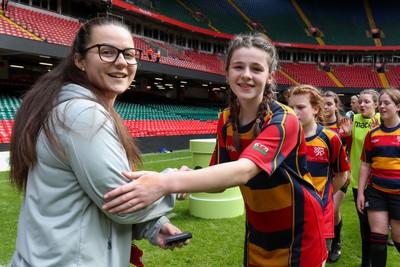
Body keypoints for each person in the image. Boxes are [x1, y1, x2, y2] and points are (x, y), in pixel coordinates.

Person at [103, 33, 328, 266]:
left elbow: (244, 171)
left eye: (257, 69)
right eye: (238, 67)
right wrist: (188, 176)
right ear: (228, 73)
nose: (247, 75)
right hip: (258, 231)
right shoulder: (227, 119)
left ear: (270, 77)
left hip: (300, 231)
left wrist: (165, 183)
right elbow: (219, 182)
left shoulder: (285, 119)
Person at [9, 17, 186, 267]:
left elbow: (90, 199)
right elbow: (121, 201)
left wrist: (153, 225)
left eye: (129, 53)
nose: (122, 61)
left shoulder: (70, 106)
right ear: (80, 60)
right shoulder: (83, 115)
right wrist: (171, 183)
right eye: (107, 52)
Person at [286, 85, 349, 258]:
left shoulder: (330, 138)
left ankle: (336, 243)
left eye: (300, 107)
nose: (294, 112)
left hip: (321, 212)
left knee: (317, 258)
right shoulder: (283, 137)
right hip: (291, 213)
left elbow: (342, 175)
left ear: (315, 109)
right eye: (290, 108)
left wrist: (324, 195)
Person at [357, 88, 400, 266]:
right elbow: (366, 164)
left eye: (386, 103)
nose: (381, 107)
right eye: (380, 103)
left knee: (398, 239)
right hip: (376, 192)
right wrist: (360, 193)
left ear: (398, 107)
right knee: (377, 241)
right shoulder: (373, 134)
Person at [341, 88, 381, 267]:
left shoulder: (382, 120)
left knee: (377, 227)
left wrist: (377, 131)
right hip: (359, 179)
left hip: (379, 180)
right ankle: (366, 262)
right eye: (360, 102)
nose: (362, 105)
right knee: (364, 225)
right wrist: (348, 136)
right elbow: (350, 148)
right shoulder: (353, 120)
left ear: (376, 104)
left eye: (366, 102)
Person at [322, 90, 350, 262]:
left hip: (340, 175)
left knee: (332, 210)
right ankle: (321, 243)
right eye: (323, 104)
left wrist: (350, 135)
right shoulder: (315, 123)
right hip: (319, 175)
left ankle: (336, 241)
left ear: (336, 106)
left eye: (329, 104)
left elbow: (354, 150)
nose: (325, 107)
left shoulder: (344, 126)